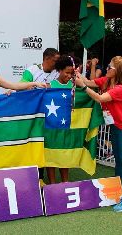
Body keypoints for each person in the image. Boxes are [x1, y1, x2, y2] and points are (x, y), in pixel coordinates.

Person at [75, 56, 122, 213]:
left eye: (110, 67)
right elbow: (89, 82)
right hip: (116, 128)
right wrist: (77, 75)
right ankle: (121, 193)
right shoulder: (106, 81)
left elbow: (99, 97)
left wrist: (82, 87)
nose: (107, 68)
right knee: (119, 161)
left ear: (117, 72)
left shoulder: (120, 88)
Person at [19, 47, 60, 186]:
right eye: (55, 60)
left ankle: (40, 177)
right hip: (32, 114)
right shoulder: (31, 70)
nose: (57, 63)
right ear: (47, 59)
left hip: (49, 116)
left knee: (44, 145)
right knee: (32, 143)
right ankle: (28, 175)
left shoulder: (57, 72)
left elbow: (64, 86)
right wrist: (28, 86)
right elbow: (22, 84)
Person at [45, 55, 74, 184]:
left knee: (64, 154)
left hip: (67, 127)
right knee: (51, 154)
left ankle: (65, 182)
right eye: (67, 72)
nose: (69, 75)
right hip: (51, 127)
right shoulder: (50, 86)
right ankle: (52, 183)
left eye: (71, 73)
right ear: (59, 70)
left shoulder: (74, 86)